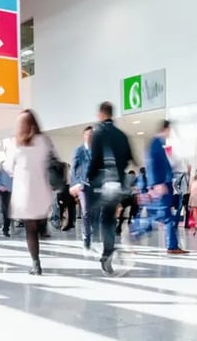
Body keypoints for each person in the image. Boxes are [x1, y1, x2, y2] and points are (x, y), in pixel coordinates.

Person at [5, 110, 57, 275]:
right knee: (39, 220)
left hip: (25, 192)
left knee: (30, 229)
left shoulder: (16, 143)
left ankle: (36, 264)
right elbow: (52, 160)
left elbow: (8, 167)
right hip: (42, 189)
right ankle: (43, 228)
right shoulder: (44, 140)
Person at [86, 102, 134, 276]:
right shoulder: (122, 135)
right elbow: (129, 158)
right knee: (109, 218)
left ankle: (96, 244)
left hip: (102, 182)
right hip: (117, 183)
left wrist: (89, 177)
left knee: (94, 213)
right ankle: (107, 251)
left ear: (101, 114)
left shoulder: (98, 133)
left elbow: (95, 160)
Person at [130, 120, 188, 254]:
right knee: (165, 217)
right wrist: (156, 184)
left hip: (161, 187)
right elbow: (151, 164)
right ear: (166, 129)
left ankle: (137, 233)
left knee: (158, 217)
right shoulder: (155, 144)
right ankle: (170, 246)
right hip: (160, 188)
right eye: (170, 130)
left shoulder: (158, 144)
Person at [70, 126, 97, 254]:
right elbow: (74, 168)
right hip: (83, 185)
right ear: (84, 136)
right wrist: (75, 184)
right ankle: (86, 238)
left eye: (92, 135)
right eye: (88, 135)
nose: (90, 137)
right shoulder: (79, 150)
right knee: (86, 211)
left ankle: (92, 231)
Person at [0, 161, 14, 237]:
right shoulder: (0, 170)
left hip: (13, 192)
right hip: (5, 192)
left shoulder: (12, 170)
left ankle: (6, 228)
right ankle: (5, 229)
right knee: (7, 211)